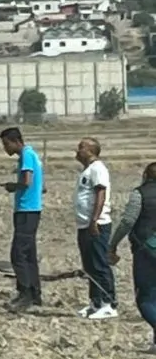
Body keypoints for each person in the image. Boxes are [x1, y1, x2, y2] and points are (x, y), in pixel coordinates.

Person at [109, 162, 156, 354]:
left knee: (144, 297)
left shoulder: (140, 194)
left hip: (146, 249)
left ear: (145, 175)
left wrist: (112, 244)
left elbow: (128, 220)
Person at [0, 127, 44, 312]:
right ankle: (35, 293)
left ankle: (25, 293)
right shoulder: (32, 155)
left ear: (16, 141)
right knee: (29, 254)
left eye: (6, 144)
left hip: (27, 210)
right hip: (30, 209)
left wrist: (13, 186)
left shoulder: (26, 155)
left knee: (18, 254)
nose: (5, 148)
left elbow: (27, 181)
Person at [74, 137, 116, 319]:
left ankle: (109, 303)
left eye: (81, 147)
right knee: (89, 266)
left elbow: (101, 193)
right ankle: (95, 302)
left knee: (99, 265)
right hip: (84, 225)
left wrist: (94, 220)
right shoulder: (87, 170)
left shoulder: (98, 168)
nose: (77, 150)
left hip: (96, 225)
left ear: (91, 151)